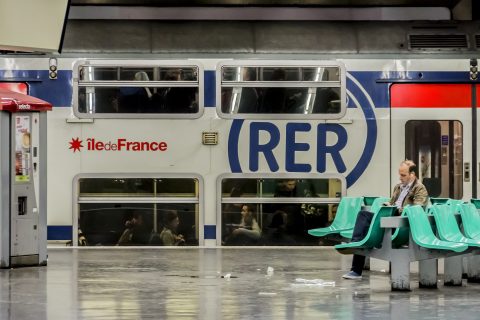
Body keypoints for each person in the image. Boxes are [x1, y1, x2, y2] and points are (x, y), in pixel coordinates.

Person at [342, 160, 428, 280]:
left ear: (412, 174)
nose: (400, 178)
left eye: (403, 175)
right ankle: (355, 245)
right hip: (390, 219)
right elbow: (393, 202)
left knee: (366, 229)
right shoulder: (398, 187)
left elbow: (417, 209)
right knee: (363, 216)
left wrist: (396, 209)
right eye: (400, 174)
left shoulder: (419, 189)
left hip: (401, 225)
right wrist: (388, 205)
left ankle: (356, 268)